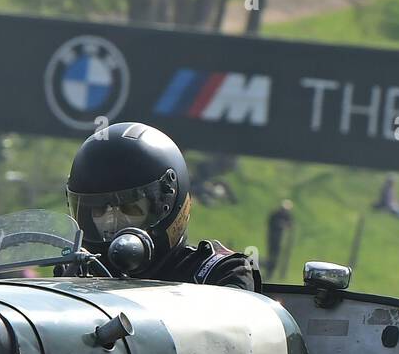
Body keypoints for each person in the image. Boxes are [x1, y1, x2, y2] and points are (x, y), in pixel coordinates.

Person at [64, 122, 260, 291]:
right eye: (99, 210)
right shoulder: (77, 274)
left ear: (168, 206)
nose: (111, 223)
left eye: (129, 209)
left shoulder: (218, 273)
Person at [265, 199, 294, 281]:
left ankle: (276, 274)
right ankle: (269, 273)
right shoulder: (276, 214)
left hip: (282, 240)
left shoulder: (287, 216)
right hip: (273, 238)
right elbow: (271, 223)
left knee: (277, 257)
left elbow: (290, 225)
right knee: (272, 256)